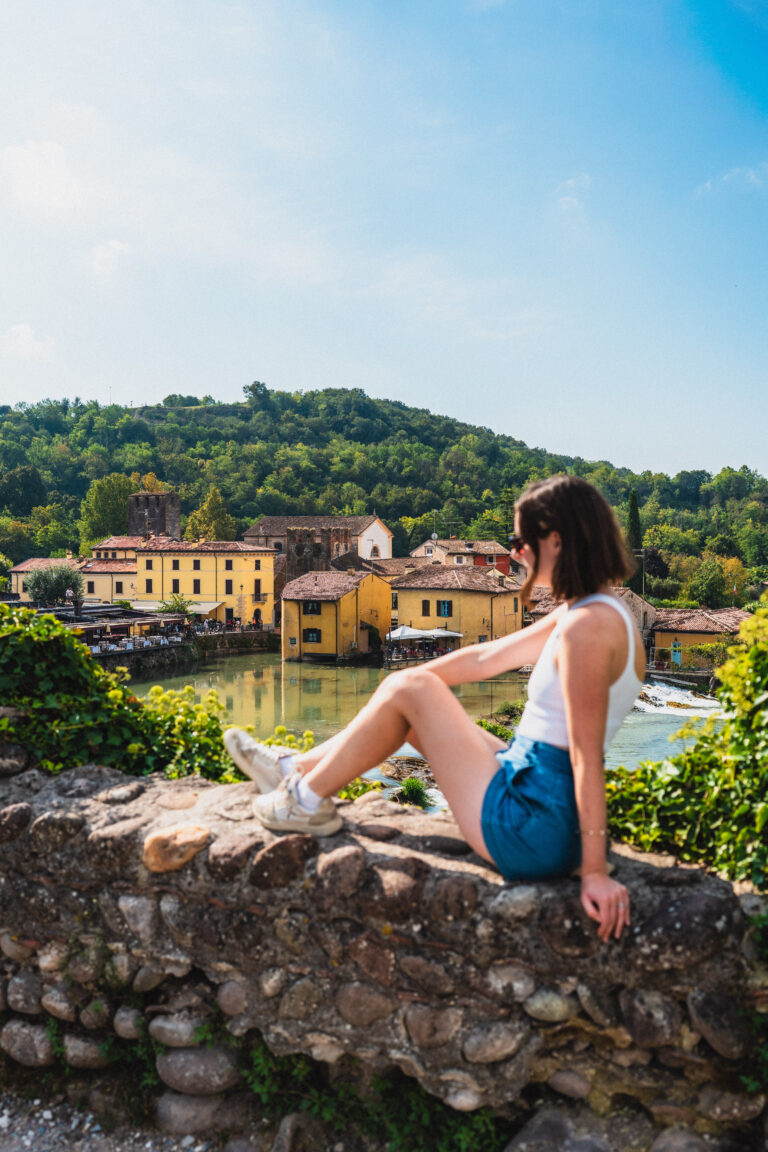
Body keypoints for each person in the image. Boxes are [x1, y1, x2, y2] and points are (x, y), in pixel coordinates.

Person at [224, 476, 643, 942]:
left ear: (557, 541)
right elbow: (487, 657)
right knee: (410, 696)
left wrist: (593, 872)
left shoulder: (587, 626)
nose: (515, 553)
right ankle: (292, 767)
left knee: (410, 691)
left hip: (533, 827)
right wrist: (403, 689)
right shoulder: (597, 610)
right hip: (530, 782)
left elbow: (586, 756)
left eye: (519, 541)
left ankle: (303, 802)